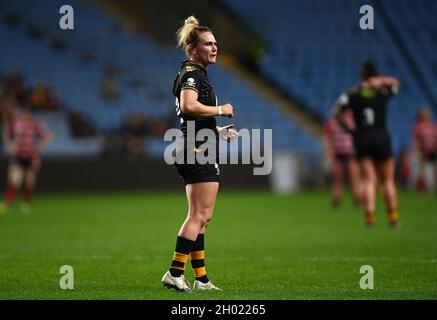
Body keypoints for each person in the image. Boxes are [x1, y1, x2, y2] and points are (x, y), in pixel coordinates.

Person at [161, 16, 237, 292]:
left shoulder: (196, 73)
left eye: (216, 43)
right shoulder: (192, 75)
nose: (215, 48)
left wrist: (217, 131)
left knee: (202, 217)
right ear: (194, 49)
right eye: (208, 43)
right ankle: (174, 272)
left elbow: (190, 120)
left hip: (198, 144)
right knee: (199, 215)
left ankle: (202, 279)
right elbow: (189, 106)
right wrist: (219, 110)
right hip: (196, 150)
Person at [334, 60, 400, 227]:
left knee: (369, 180)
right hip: (381, 138)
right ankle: (392, 216)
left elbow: (337, 111)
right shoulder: (382, 93)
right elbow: (396, 83)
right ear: (375, 77)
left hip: (361, 139)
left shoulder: (353, 95)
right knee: (387, 180)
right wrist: (380, 81)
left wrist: (349, 130)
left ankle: (370, 217)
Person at [2, 104, 52, 213]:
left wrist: (38, 147)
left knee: (29, 181)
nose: (24, 115)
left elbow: (48, 136)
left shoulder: (35, 124)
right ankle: (8, 203)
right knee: (15, 179)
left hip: (31, 156)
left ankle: (26, 204)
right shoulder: (14, 124)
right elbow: (6, 135)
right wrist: (10, 146)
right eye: (22, 113)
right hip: (18, 155)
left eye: (26, 113)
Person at [324, 107, 362, 207]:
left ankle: (339, 201)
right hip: (347, 153)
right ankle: (356, 200)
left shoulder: (333, 122)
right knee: (351, 178)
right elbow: (329, 140)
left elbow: (329, 141)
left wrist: (330, 154)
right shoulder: (351, 121)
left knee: (342, 179)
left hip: (344, 153)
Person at [412, 106, 437, 195]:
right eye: (425, 113)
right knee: (423, 172)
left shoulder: (432, 125)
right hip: (424, 150)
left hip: (433, 150)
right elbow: (416, 140)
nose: (427, 115)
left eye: (427, 113)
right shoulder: (418, 126)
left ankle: (435, 189)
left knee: (435, 171)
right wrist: (416, 150)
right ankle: (423, 190)